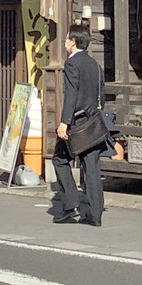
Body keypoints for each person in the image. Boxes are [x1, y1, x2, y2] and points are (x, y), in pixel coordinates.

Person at [51, 23, 106, 227]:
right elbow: (102, 93)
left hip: (76, 123)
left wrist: (64, 122)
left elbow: (71, 95)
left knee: (59, 159)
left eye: (67, 38)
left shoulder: (72, 64)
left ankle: (70, 205)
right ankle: (95, 214)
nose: (65, 41)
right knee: (92, 167)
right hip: (94, 122)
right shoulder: (95, 65)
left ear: (73, 42)